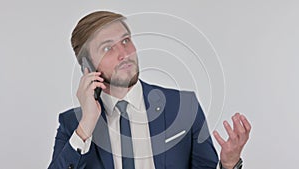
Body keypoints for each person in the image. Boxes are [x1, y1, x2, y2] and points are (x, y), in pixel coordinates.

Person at [48, 11, 251, 169]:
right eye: (108, 48)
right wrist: (86, 126)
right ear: (88, 68)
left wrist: (228, 164)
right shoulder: (73, 125)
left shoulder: (183, 107)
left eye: (126, 41)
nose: (124, 54)